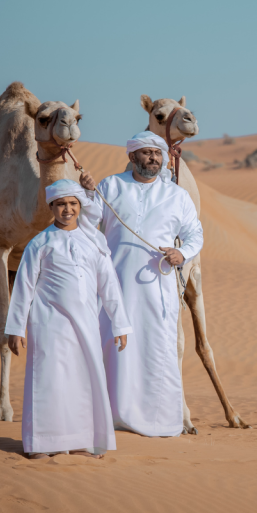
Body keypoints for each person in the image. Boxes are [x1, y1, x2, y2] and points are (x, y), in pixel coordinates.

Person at [80, 131, 203, 437]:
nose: (153, 159)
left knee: (156, 348)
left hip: (157, 287)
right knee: (113, 346)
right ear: (132, 157)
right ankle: (111, 416)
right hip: (114, 284)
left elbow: (195, 234)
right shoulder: (111, 186)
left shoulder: (177, 196)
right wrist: (86, 193)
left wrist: (182, 252)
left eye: (158, 154)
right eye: (146, 153)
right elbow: (88, 220)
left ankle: (159, 420)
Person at [4, 179, 132, 459]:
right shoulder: (40, 243)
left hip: (86, 325)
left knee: (84, 382)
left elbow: (109, 286)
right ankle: (42, 443)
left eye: (73, 203)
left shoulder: (93, 242)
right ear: (52, 207)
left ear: (80, 206)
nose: (67, 209)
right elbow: (24, 286)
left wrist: (120, 323)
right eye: (61, 204)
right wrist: (16, 328)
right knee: (49, 381)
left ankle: (83, 442)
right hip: (49, 324)